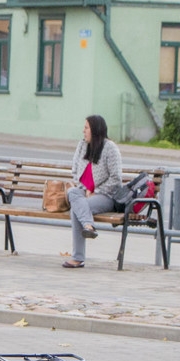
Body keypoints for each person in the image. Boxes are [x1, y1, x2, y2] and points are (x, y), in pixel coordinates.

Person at [62, 114, 126, 269]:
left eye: (86, 128)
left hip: (106, 196)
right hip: (85, 192)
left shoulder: (110, 148)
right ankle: (88, 226)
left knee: (77, 209)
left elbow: (116, 178)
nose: (83, 131)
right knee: (72, 193)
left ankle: (78, 257)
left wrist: (96, 190)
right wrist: (85, 189)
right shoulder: (82, 145)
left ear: (95, 130)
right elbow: (75, 170)